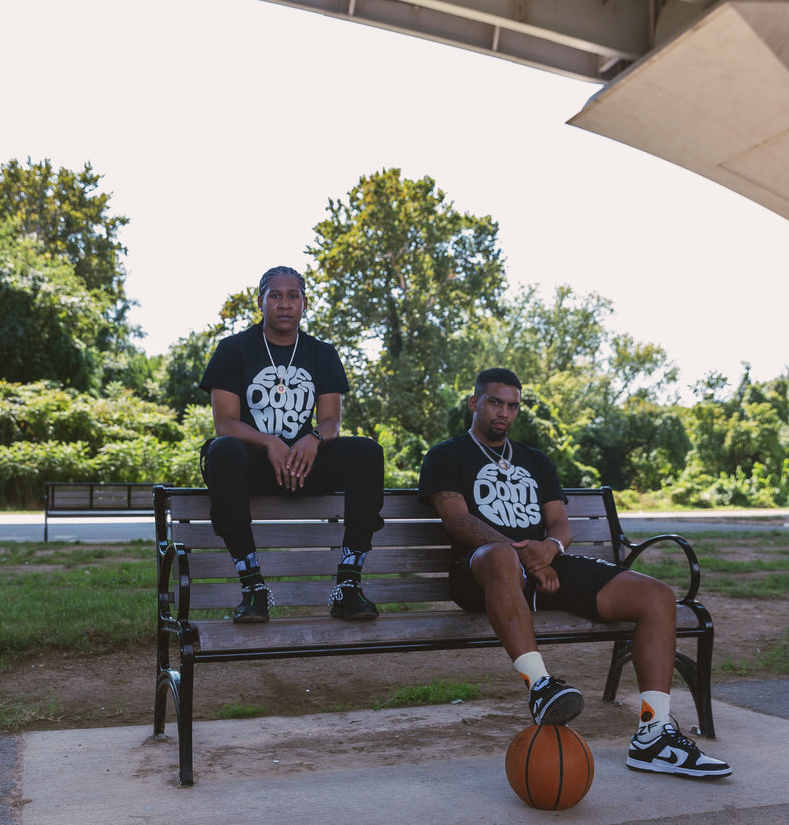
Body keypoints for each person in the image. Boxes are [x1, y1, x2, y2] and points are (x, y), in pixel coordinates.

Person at [418, 367, 731, 779]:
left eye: (512, 406)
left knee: (656, 596)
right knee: (499, 557)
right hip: (481, 571)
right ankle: (541, 686)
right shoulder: (447, 454)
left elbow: (559, 525)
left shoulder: (536, 460)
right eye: (495, 402)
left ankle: (653, 735)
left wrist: (549, 550)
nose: (504, 413)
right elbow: (458, 522)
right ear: (475, 402)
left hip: (544, 565)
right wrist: (522, 556)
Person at [199, 266, 384, 623]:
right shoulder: (233, 349)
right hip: (252, 466)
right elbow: (225, 423)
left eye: (293, 296)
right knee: (221, 451)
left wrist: (312, 439)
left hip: (304, 464)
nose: (285, 304)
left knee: (367, 452)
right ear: (261, 302)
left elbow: (331, 420)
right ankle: (253, 588)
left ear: (304, 303)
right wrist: (270, 442)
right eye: (276, 296)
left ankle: (348, 586)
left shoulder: (322, 353)